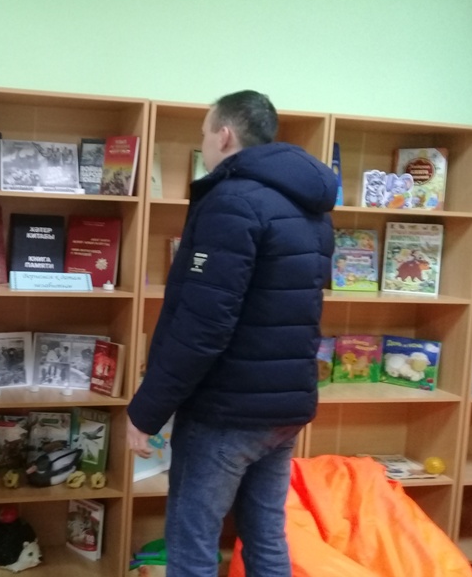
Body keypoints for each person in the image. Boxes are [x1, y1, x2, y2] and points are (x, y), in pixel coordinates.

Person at [127, 90, 336, 577]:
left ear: (224, 135)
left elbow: (202, 326)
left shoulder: (231, 201)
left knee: (192, 543)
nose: (203, 143)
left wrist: (147, 410)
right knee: (266, 534)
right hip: (284, 407)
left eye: (204, 132)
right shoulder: (308, 205)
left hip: (226, 410)